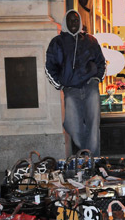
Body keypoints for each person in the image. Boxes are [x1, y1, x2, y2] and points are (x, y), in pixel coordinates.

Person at [45, 9, 106, 156]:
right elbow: (49, 66)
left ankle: (92, 160)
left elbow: (101, 62)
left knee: (93, 123)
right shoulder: (57, 42)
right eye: (71, 20)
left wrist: (97, 78)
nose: (74, 23)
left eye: (76, 20)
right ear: (65, 22)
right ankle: (88, 153)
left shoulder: (91, 41)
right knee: (71, 124)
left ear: (80, 23)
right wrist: (60, 85)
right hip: (70, 89)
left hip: (90, 86)